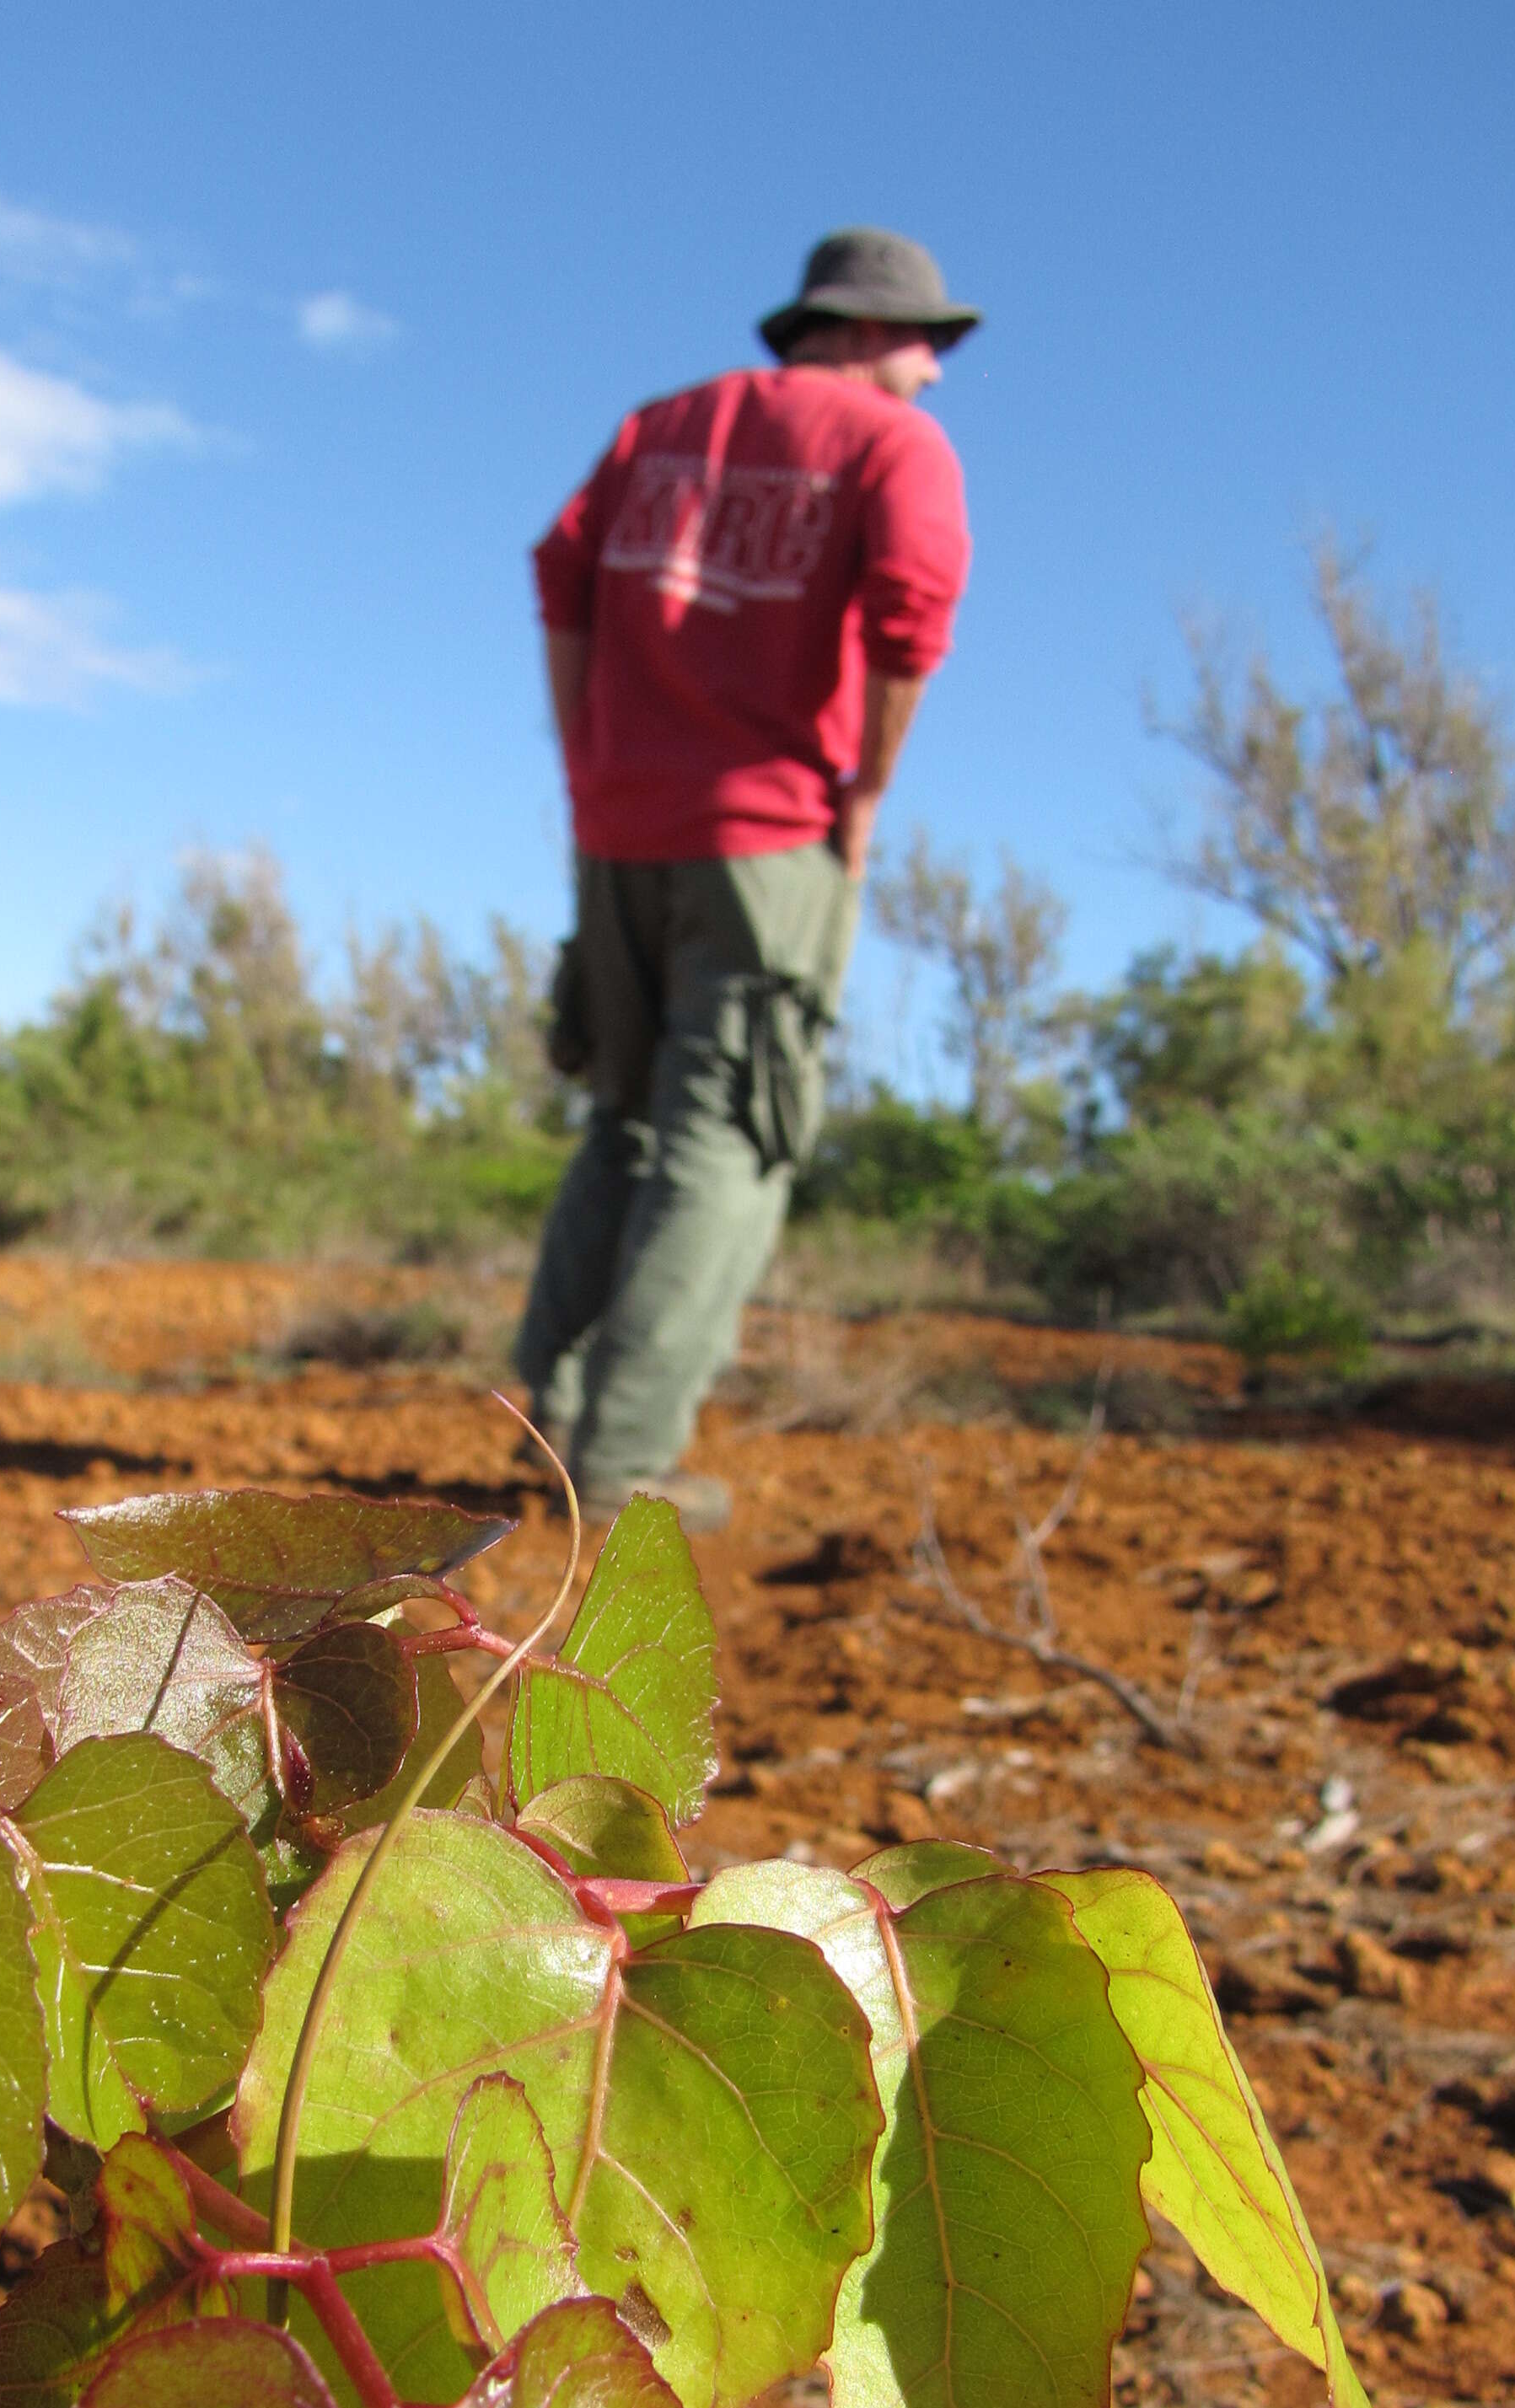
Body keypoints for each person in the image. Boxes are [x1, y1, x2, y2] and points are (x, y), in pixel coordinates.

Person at [514, 226, 978, 1532]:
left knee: (624, 1117)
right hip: (770, 836)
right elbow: (912, 613)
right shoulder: (894, 446)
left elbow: (559, 577)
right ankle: (620, 1472)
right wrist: (868, 796)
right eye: (924, 342)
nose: (935, 374)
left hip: (617, 829)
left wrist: (585, 764)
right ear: (857, 332)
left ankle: (543, 1424)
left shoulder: (660, 424)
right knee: (730, 1139)